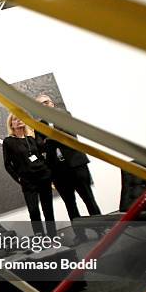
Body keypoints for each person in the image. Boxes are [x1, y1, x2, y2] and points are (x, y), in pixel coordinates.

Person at [36, 94, 102, 242]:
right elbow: (40, 146)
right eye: (40, 104)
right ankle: (80, 236)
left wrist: (50, 140)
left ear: (52, 103)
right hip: (58, 172)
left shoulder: (64, 115)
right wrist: (53, 139)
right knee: (70, 205)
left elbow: (69, 135)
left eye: (46, 102)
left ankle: (102, 231)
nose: (44, 105)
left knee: (89, 200)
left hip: (76, 165)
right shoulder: (39, 125)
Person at [2, 114, 56, 236]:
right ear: (11, 124)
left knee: (48, 210)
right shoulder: (8, 142)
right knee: (33, 211)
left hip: (43, 177)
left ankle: (53, 236)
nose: (19, 120)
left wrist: (48, 172)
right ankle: (40, 238)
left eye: (20, 118)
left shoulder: (31, 139)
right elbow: (7, 164)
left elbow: (41, 156)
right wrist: (19, 179)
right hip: (28, 181)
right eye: (15, 119)